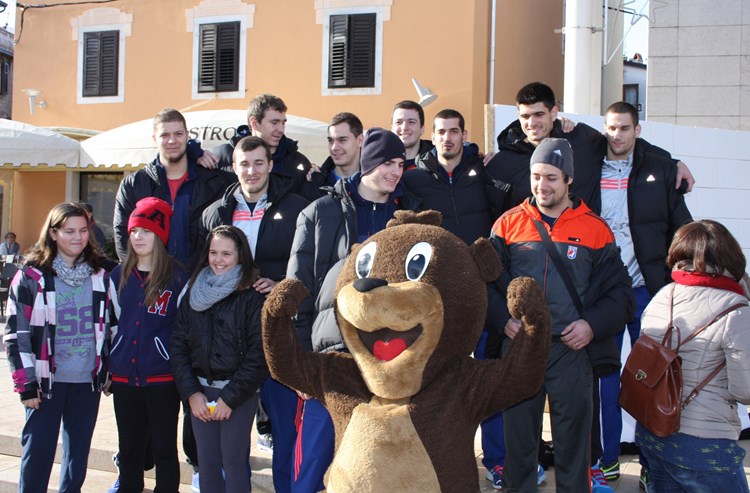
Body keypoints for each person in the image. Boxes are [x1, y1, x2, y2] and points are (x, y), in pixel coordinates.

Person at [489, 138, 633, 493]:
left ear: (569, 179)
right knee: (519, 445)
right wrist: (500, 320)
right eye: (536, 176)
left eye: (551, 177)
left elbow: (621, 295)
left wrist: (591, 325)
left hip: (571, 351)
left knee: (574, 447)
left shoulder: (595, 229)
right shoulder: (507, 225)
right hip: (522, 347)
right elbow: (485, 285)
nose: (542, 185)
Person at [286, 127, 416, 492]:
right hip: (332, 355)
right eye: (388, 163)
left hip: (388, 358)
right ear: (370, 161)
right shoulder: (320, 213)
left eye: (400, 164)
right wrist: (301, 361)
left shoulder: (408, 218)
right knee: (313, 460)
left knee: (371, 466)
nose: (395, 171)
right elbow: (299, 288)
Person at [200, 135, 309, 493]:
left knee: (283, 429)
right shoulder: (216, 212)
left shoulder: (297, 208)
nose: (251, 170)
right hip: (228, 340)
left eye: (258, 163)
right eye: (244, 164)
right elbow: (204, 269)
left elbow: (305, 266)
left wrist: (280, 284)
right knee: (228, 443)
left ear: (270, 164)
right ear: (235, 167)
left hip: (276, 332)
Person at [593, 101, 693, 484]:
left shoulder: (660, 170)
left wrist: (678, 279)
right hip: (603, 294)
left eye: (624, 128)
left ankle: (653, 465)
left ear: (637, 130)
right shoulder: (589, 166)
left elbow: (682, 228)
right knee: (605, 379)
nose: (616, 135)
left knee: (653, 379)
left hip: (647, 293)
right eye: (611, 128)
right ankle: (608, 459)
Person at [4, 202, 113, 493]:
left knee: (77, 459)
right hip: (44, 384)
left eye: (82, 231)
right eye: (68, 231)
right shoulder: (31, 277)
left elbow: (111, 327)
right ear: (53, 233)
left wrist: (108, 369)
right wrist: (25, 385)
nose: (77, 237)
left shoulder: (101, 275)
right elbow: (16, 334)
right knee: (37, 455)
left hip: (85, 384)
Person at [636, 220, 750, 493]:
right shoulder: (735, 310)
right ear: (731, 257)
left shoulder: (663, 296)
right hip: (705, 444)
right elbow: (745, 389)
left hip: (653, 432)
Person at [171, 225, 269, 493]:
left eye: (226, 253)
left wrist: (230, 398)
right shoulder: (194, 289)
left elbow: (259, 354)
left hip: (238, 395)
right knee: (208, 463)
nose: (218, 260)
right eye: (213, 252)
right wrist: (191, 393)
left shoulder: (251, 294)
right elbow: (178, 344)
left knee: (234, 462)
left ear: (240, 255)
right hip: (200, 392)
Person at [107, 197, 188, 493]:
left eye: (147, 231)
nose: (139, 237)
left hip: (162, 379)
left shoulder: (178, 278)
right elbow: (112, 326)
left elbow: (183, 332)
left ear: (161, 236)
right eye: (134, 231)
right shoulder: (118, 276)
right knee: (129, 450)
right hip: (124, 379)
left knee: (165, 449)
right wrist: (109, 365)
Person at [113, 108, 235, 272]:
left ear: (187, 136)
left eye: (178, 134)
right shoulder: (134, 184)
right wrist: (137, 275)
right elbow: (122, 234)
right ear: (155, 138)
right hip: (151, 281)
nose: (172, 141)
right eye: (165, 135)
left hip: (199, 280)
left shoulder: (212, 181)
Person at [403, 108, 509, 246]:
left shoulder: (484, 169)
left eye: (454, 131)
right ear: (433, 138)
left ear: (464, 135)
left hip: (482, 261)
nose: (447, 138)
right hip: (441, 263)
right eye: (441, 132)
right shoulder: (413, 179)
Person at [210, 94, 319, 200]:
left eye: (283, 123)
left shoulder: (299, 162)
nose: (281, 129)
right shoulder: (219, 157)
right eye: (274, 122)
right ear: (254, 123)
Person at [315, 112, 365, 186]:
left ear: (360, 140)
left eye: (342, 140)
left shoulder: (375, 185)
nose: (334, 147)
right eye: (330, 140)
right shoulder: (314, 182)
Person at [391, 100, 433, 169]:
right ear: (392, 128)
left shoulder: (437, 160)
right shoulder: (379, 160)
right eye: (398, 122)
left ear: (422, 128)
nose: (404, 128)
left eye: (411, 122)